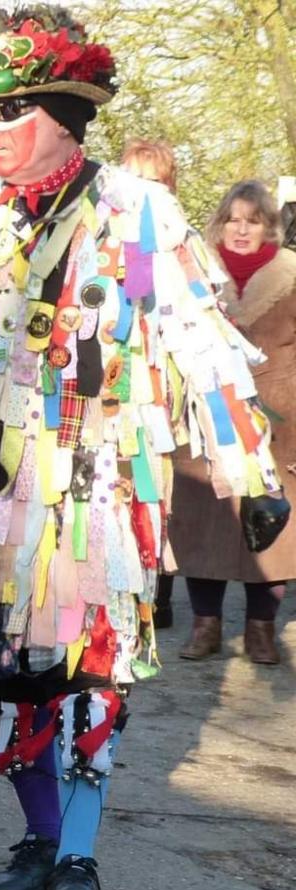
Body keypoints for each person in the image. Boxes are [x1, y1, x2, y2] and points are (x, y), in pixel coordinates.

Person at [0, 5, 285, 890]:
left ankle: (79, 857)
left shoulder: (138, 210)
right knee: (6, 672)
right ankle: (42, 834)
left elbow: (199, 342)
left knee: (93, 666)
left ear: (63, 115)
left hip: (97, 485)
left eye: (12, 115)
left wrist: (249, 467)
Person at [168, 180, 296, 664]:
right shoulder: (193, 273)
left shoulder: (292, 275)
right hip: (208, 411)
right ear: (220, 223)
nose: (241, 229)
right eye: (233, 219)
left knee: (273, 526)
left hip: (280, 419)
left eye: (253, 220)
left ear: (270, 226)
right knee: (206, 520)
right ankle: (206, 626)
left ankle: (262, 629)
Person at [120, 139, 179, 628]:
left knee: (154, 490)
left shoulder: (178, 254)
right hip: (109, 391)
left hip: (155, 391)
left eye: (153, 182)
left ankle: (153, 594)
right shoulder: (100, 243)